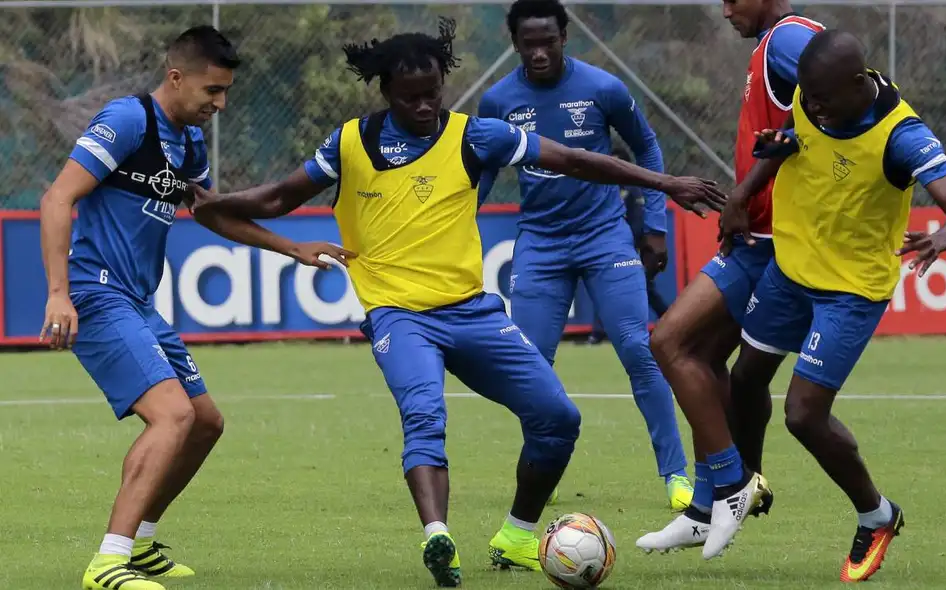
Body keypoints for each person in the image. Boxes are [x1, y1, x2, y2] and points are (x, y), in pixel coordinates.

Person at [190, 17, 725, 588]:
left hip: (471, 311)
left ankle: (518, 535)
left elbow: (573, 159)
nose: (424, 107)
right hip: (398, 316)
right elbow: (279, 195)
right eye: (410, 98)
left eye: (433, 94)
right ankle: (437, 535)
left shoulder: (476, 135)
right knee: (425, 414)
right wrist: (221, 204)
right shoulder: (351, 141)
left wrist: (665, 185)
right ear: (386, 93)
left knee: (558, 418)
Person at [38, 26, 349, 590]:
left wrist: (294, 248)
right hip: (96, 291)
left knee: (204, 423)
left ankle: (143, 542)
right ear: (176, 77)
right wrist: (58, 292)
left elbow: (211, 214)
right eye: (212, 91)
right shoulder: (128, 119)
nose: (220, 104)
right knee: (173, 416)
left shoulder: (189, 143)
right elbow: (58, 196)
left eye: (226, 92)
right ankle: (108, 562)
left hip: (138, 302)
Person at [722, 29, 946, 580]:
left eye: (822, 100)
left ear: (858, 84)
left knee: (802, 414)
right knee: (743, 380)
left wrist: (939, 238)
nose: (811, 107)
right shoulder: (812, 95)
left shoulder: (900, 135)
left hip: (851, 289)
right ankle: (746, 485)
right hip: (792, 268)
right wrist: (745, 191)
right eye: (806, 97)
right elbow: (793, 135)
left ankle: (877, 514)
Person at [479, 0, 722, 511]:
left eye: (549, 41)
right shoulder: (497, 101)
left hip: (604, 237)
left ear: (565, 37)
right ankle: (540, 477)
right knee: (530, 367)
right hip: (540, 244)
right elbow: (478, 175)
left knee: (639, 347)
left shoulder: (603, 89)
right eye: (529, 43)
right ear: (516, 44)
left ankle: (676, 476)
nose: (539, 52)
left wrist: (654, 225)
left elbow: (648, 150)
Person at [639, 0, 823, 554]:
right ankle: (702, 507)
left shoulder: (790, 39)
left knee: (670, 342)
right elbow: (811, 117)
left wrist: (744, 193)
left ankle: (735, 482)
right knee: (697, 355)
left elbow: (844, 99)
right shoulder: (772, 47)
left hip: (772, 245)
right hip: (752, 238)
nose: (723, 11)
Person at [588, 146, 670, 345]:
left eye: (616, 162)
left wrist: (632, 243)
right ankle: (598, 333)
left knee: (641, 289)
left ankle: (672, 322)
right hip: (611, 246)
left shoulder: (632, 190)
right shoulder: (603, 190)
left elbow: (638, 220)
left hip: (630, 248)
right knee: (613, 288)